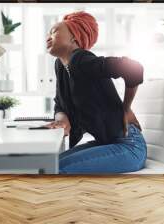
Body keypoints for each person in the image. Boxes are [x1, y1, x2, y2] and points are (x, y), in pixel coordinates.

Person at [45, 11, 147, 174]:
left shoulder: (81, 60)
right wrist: (62, 121)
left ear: (74, 37)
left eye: (55, 31)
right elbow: (60, 104)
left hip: (129, 146)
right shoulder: (61, 66)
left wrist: (126, 108)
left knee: (56, 169)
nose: (48, 37)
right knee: (49, 164)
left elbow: (134, 69)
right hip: (106, 143)